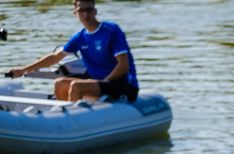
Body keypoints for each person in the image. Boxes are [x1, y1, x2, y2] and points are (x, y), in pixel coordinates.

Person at [6, 1, 138, 103]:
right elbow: (55, 58)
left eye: (89, 10)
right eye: (82, 10)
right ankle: (65, 119)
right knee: (60, 83)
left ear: (95, 11)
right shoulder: (80, 37)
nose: (86, 14)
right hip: (98, 82)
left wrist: (102, 83)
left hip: (123, 84)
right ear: (75, 13)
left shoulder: (111, 30)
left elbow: (123, 66)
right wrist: (24, 70)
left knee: (76, 86)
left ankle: (71, 120)